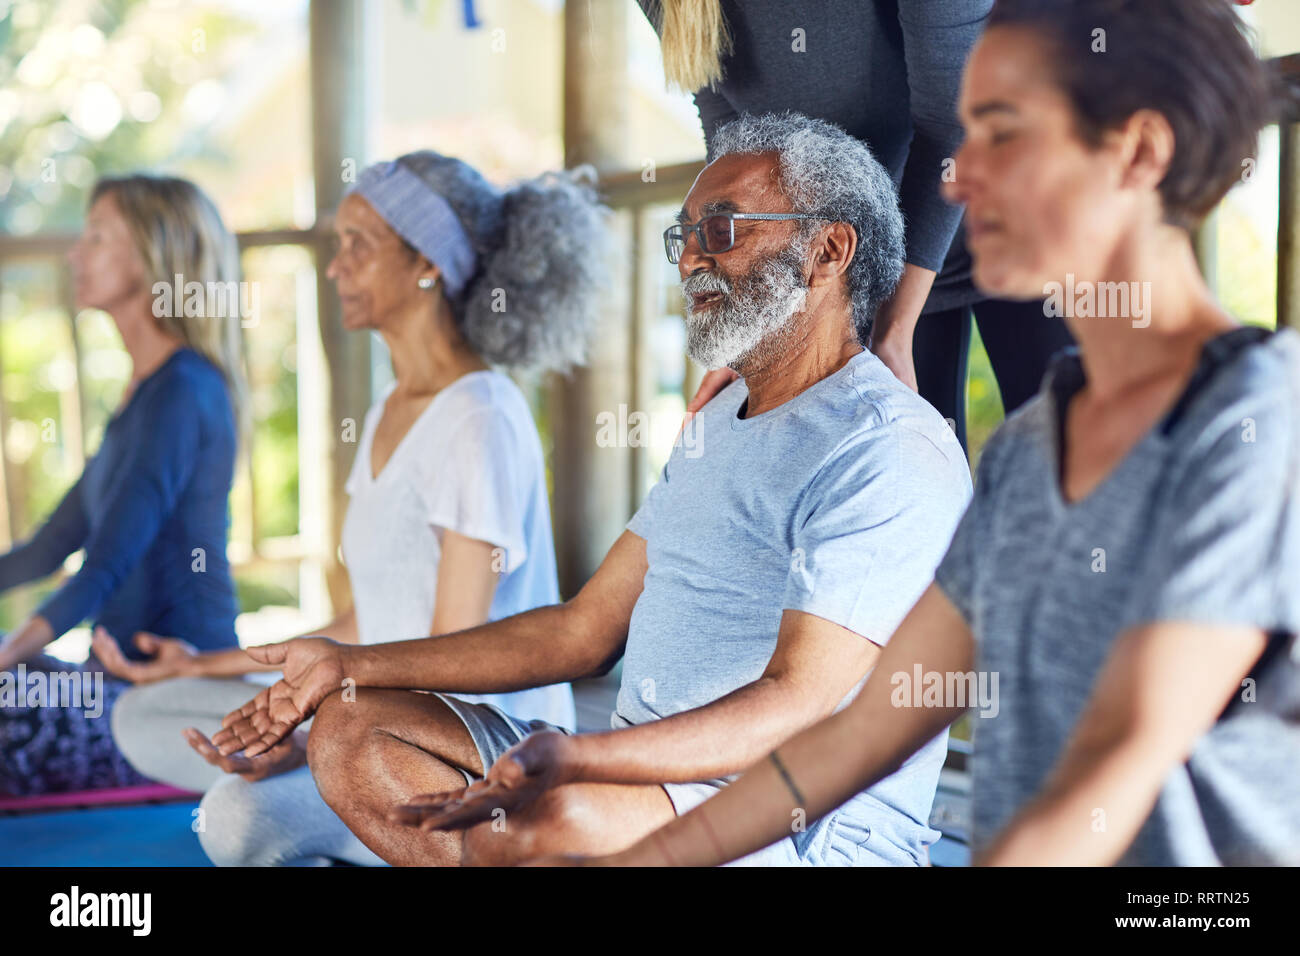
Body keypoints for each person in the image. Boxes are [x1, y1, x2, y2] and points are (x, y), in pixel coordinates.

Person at [559, 0, 1300, 867]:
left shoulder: (1257, 426)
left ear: (1137, 152)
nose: (955, 177)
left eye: (1000, 131)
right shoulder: (1029, 448)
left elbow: (1117, 764)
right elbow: (858, 733)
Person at [212, 112, 973, 867]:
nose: (690, 261)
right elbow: (581, 631)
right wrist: (348, 665)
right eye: (685, 237)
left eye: (723, 228)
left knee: (553, 822)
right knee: (351, 734)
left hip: (796, 820)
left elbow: (794, 704)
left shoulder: (887, 446)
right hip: (637, 779)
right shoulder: (718, 424)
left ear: (828, 250)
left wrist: (588, 765)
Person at [108, 152, 605, 865]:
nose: (335, 268)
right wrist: (203, 663)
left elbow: (453, 653)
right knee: (145, 711)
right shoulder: (388, 408)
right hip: (370, 708)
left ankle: (412, 821)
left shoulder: (479, 415)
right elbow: (364, 620)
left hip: (461, 741)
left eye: (358, 246)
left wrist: (311, 738)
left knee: (230, 820)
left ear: (426, 264)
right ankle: (354, 818)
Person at [637, 0, 1076, 451]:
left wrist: (893, 331)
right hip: (872, 253)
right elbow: (733, 135)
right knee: (904, 466)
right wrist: (748, 331)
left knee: (1069, 463)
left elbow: (955, 115)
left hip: (1019, 206)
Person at [0, 175, 246, 796]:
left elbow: (102, 568)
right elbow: (44, 551)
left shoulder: (185, 390)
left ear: (153, 254)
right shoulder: (142, 397)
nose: (74, 255)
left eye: (96, 238)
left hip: (171, 694)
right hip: (111, 681)